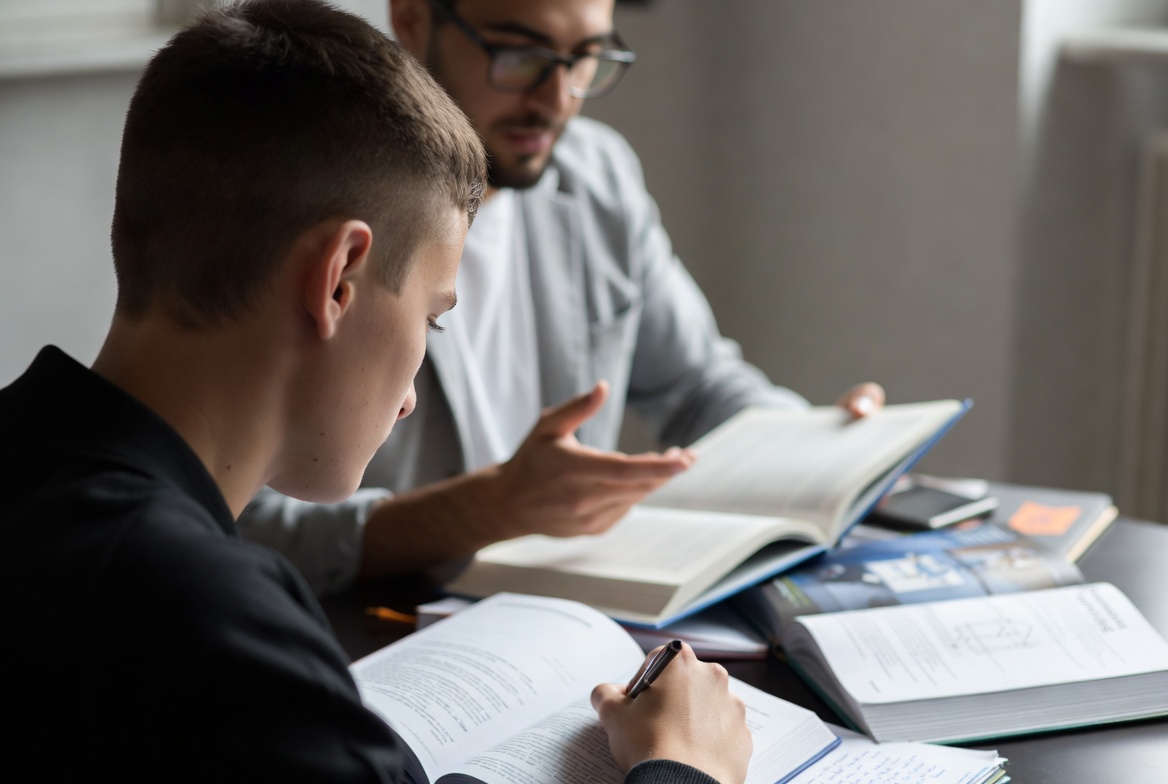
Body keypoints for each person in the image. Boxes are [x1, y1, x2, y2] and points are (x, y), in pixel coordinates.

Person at [0, 1, 750, 781]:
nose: (410, 397)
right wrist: (683, 765)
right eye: (434, 318)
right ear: (337, 282)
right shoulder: (211, 623)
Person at [239, 0, 886, 596]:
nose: (558, 99)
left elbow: (697, 385)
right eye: (521, 57)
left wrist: (818, 446)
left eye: (585, 60)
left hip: (575, 623)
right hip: (377, 636)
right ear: (411, 17)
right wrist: (485, 509)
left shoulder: (597, 175)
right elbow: (239, 519)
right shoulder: (316, 202)